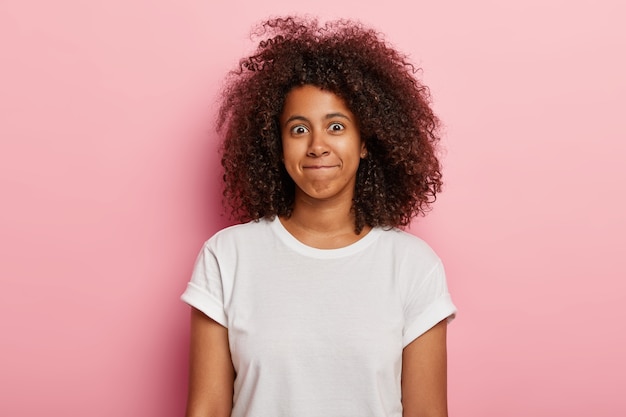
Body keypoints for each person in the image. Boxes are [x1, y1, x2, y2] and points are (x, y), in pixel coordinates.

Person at [181, 16, 457, 417]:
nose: (317, 146)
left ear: (365, 142)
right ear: (275, 145)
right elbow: (206, 408)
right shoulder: (227, 257)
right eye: (298, 129)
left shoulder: (414, 266)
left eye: (336, 126)